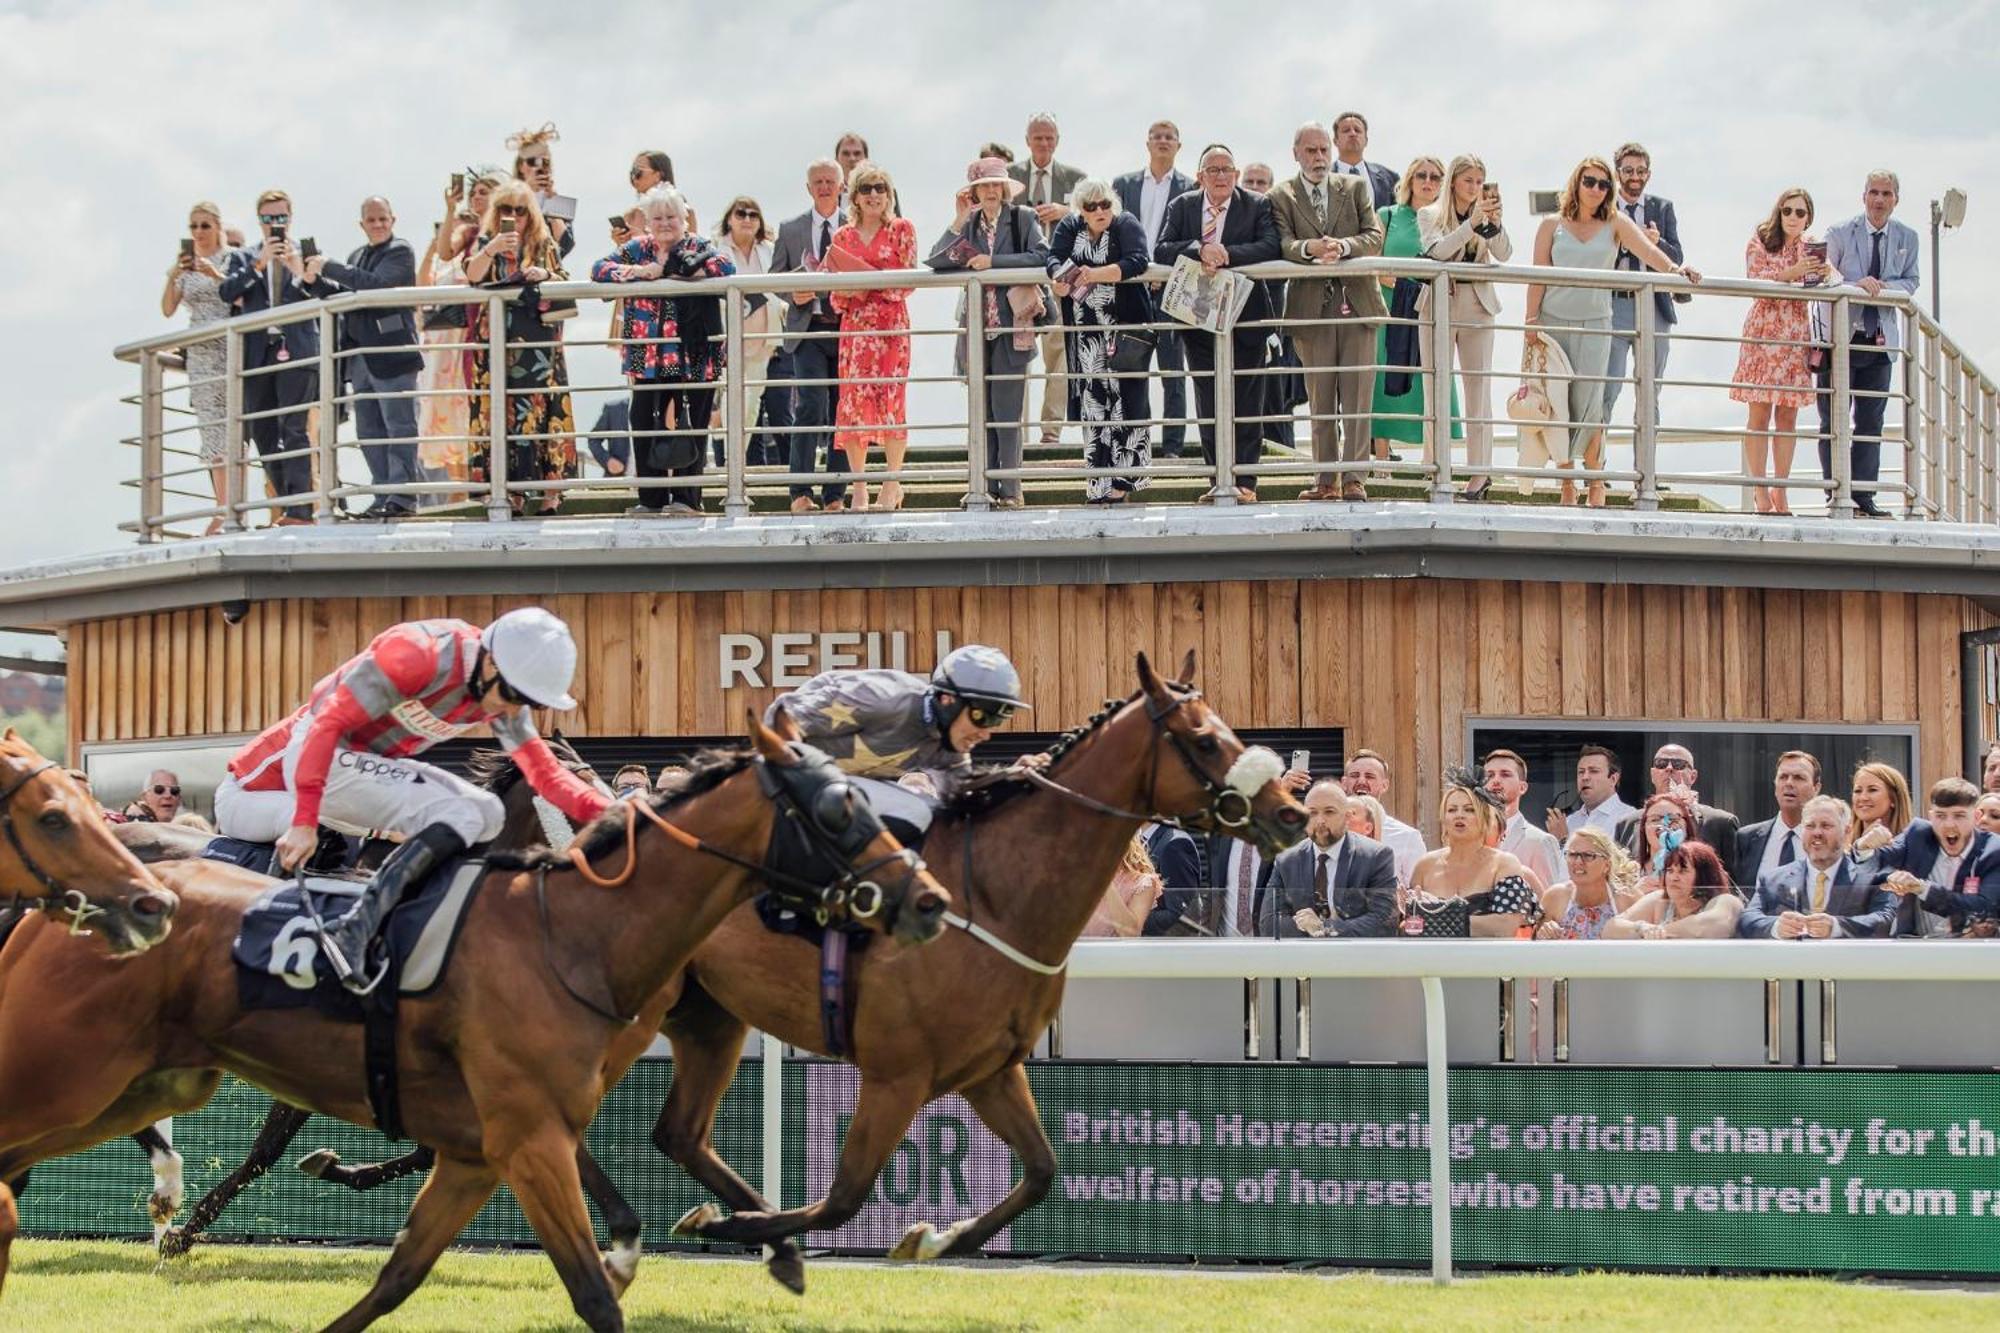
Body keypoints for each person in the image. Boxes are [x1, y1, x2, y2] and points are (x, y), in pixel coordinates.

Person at [214, 609, 608, 987]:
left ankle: (405, 919)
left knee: (488, 813)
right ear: (490, 664)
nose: (513, 708)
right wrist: (303, 821)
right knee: (460, 811)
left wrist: (613, 811)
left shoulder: (498, 695)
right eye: (512, 693)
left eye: (530, 702)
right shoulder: (418, 654)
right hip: (313, 753)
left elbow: (545, 774)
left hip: (350, 764)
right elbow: (327, 724)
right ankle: (356, 929)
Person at [1525, 157, 1699, 507]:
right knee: (1558, 406)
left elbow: (1649, 252)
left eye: (1604, 185)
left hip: (1596, 323)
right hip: (1553, 322)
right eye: (1590, 181)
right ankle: (1567, 482)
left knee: (1592, 405)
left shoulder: (1615, 223)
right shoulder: (1550, 225)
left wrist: (1677, 270)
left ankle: (1596, 480)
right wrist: (1530, 322)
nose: (1596, 190)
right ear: (1576, 183)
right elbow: (1537, 277)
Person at [763, 643, 1032, 843]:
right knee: (916, 809)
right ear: (948, 700)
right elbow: (783, 715)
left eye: (996, 721)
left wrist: (1011, 776)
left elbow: (963, 796)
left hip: (831, 792)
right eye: (981, 716)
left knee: (934, 809)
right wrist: (799, 785)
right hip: (784, 783)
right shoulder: (885, 698)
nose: (986, 734)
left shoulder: (948, 747)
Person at [593, 186, 735, 517]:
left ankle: (687, 498)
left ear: (684, 219)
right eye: (657, 217)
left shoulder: (696, 246)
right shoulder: (637, 249)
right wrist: (638, 273)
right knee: (643, 419)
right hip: (647, 354)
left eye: (672, 216)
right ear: (647, 222)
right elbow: (598, 268)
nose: (665, 223)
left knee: (693, 421)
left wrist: (687, 272)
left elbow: (726, 268)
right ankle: (651, 498)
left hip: (692, 351)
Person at [1155, 144, 1280, 504]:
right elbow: (1162, 249)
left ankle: (1246, 483)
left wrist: (1225, 254)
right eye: (1214, 170)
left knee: (1247, 401)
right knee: (1208, 401)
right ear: (1200, 177)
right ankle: (1217, 478)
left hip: (1247, 318)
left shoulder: (1256, 204)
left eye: (1227, 169)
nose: (1222, 176)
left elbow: (1270, 246)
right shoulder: (1182, 205)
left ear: (1237, 175)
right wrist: (1199, 249)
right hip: (1198, 318)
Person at [1268, 122, 1385, 502]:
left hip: (1358, 304)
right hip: (1310, 307)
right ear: (1296, 153)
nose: (1319, 158)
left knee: (1357, 398)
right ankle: (1325, 481)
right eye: (1311, 151)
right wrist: (1310, 250)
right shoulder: (1280, 195)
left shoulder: (1353, 188)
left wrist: (1344, 247)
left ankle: (1354, 478)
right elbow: (1282, 242)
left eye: (1323, 151)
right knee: (1319, 399)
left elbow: (1374, 235)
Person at [928, 157, 1049, 510]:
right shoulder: (970, 225)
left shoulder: (1022, 218)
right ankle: (983, 485)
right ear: (974, 192)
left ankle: (1009, 489)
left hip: (1013, 327)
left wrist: (992, 264)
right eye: (984, 186)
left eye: (996, 185)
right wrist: (958, 218)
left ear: (1005, 188)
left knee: (1006, 412)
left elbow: (1041, 256)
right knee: (982, 413)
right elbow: (936, 260)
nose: (991, 191)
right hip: (978, 332)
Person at [303, 196, 424, 518]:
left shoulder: (401, 250)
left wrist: (328, 266)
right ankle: (382, 492)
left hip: (392, 352)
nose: (379, 224)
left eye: (383, 218)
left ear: (393, 220)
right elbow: (346, 293)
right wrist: (314, 281)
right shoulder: (357, 255)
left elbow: (376, 287)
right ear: (362, 225)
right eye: (372, 220)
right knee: (369, 430)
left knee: (400, 425)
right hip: (361, 357)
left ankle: (403, 496)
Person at [461, 183, 574, 516]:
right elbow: (471, 275)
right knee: (500, 413)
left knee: (545, 412)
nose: (513, 217)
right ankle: (513, 492)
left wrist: (545, 273)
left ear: (531, 214)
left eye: (520, 210)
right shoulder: (487, 243)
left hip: (539, 344)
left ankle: (551, 494)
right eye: (505, 210)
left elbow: (566, 281)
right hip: (497, 342)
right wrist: (492, 249)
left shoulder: (544, 243)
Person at [1814, 171, 1921, 519]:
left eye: (1886, 194)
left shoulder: (1908, 237)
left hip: (1879, 341)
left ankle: (1863, 495)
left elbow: (1912, 281)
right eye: (1873, 192)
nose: (1879, 200)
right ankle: (1836, 491)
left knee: (1871, 421)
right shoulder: (1841, 232)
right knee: (1833, 418)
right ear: (1863, 197)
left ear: (1895, 199)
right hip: (1840, 338)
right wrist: (1856, 284)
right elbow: (1824, 272)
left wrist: (1883, 286)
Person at [1046, 179, 1153, 504]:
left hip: (1123, 330)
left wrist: (1098, 273)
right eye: (1091, 206)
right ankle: (1097, 483)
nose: (1100, 211)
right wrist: (1058, 280)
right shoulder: (1069, 226)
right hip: (1085, 334)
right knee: (1093, 405)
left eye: (1105, 204)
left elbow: (1138, 260)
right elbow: (1053, 257)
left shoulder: (1126, 223)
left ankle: (1124, 481)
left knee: (1127, 402)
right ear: (1081, 210)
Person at [216, 188, 318, 525]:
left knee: (293, 428)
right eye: (268, 218)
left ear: (291, 217)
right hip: (258, 353)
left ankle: (301, 509)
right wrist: (259, 264)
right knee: (262, 432)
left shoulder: (306, 251)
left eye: (281, 217)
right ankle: (286, 501)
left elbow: (319, 294)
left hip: (296, 349)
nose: (276, 224)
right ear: (259, 220)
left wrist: (297, 269)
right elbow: (227, 292)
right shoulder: (244, 257)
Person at [1730, 188, 1828, 515]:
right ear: (1779, 212)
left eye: (1800, 212)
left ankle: (1780, 489)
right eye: (1788, 211)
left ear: (1808, 217)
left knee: (1788, 416)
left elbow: (1820, 287)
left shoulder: (1811, 247)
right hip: (1763, 333)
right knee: (1759, 415)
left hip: (1795, 336)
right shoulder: (1760, 239)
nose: (1793, 218)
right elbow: (1756, 278)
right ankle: (1760, 490)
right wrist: (1793, 273)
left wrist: (1823, 274)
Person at [1419, 155, 1512, 500]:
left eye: (1479, 181)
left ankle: (1479, 475)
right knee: (1436, 387)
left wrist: (1495, 224)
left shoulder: (1486, 215)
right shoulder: (1429, 214)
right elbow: (1437, 252)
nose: (1474, 188)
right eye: (1468, 180)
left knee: (1478, 391)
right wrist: (1470, 225)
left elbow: (1505, 254)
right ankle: (1438, 468)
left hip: (1478, 303)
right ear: (1454, 182)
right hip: (1438, 303)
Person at [829, 163, 919, 512]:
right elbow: (835, 296)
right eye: (866, 188)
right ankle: (860, 487)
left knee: (892, 402)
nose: (874, 195)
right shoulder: (843, 237)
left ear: (890, 193)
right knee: (853, 406)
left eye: (880, 187)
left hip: (890, 328)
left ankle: (891, 483)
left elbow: (907, 280)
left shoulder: (901, 229)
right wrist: (867, 285)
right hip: (855, 330)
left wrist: (866, 284)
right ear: (854, 196)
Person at [770, 159, 855, 513]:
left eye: (829, 181)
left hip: (847, 329)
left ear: (841, 187)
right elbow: (774, 276)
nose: (824, 187)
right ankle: (799, 492)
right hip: (807, 329)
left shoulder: (854, 227)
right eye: (817, 181)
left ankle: (835, 494)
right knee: (809, 405)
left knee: (843, 410)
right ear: (808, 188)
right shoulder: (790, 229)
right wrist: (794, 293)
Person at [1369, 156, 1461, 474]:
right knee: (1384, 377)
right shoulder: (1389, 215)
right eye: (1421, 175)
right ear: (1409, 180)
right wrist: (1396, 281)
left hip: (1432, 308)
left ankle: (1431, 460)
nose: (1428, 181)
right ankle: (1381, 461)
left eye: (1436, 177)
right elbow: (1372, 260)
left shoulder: (1447, 220)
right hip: (1391, 307)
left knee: (1431, 379)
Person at [1113, 121, 1194, 459]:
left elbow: (1192, 237)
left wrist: (1168, 272)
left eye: (1169, 137)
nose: (1163, 142)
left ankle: (1173, 447)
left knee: (1174, 371)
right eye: (1157, 137)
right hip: (1132, 288)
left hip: (1174, 288)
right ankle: (1135, 444)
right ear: (1147, 143)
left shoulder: (1191, 189)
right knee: (1132, 370)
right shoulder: (1123, 185)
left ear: (1179, 145)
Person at [1006, 114, 1085, 447]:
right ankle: (1016, 430)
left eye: (1049, 138)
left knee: (1059, 356)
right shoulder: (1010, 177)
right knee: (1017, 355)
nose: (1044, 144)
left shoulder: (1076, 179)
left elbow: (1094, 219)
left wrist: (1065, 213)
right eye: (1038, 138)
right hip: (1019, 281)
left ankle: (1051, 429)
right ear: (1027, 140)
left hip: (1060, 279)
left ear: (1058, 140)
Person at [162, 200, 240, 534]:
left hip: (230, 344)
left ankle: (233, 507)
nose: (198, 233)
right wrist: (175, 275)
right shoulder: (187, 266)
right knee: (211, 429)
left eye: (205, 225)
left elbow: (241, 296)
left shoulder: (233, 258)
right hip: (201, 353)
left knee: (235, 426)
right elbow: (167, 309)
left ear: (218, 227)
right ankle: (223, 506)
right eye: (193, 226)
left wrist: (215, 274)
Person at [1601, 144, 1687, 427]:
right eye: (1628, 170)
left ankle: (1646, 468)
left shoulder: (1662, 208)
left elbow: (1676, 257)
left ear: (1648, 174)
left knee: (1650, 392)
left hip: (1655, 307)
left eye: (1640, 171)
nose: (1635, 176)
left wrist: (1655, 242)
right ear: (1617, 174)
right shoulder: (1604, 209)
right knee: (1607, 387)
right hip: (1613, 303)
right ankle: (1596, 467)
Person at [415, 178, 485, 500]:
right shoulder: (447, 257)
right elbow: (420, 289)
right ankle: (458, 490)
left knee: (467, 411)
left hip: (466, 340)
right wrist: (434, 244)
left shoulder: (477, 250)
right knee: (448, 417)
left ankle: (471, 487)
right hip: (441, 346)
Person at [1739, 795, 1894, 938]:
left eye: (1826, 826)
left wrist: (1837, 926)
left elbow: (1885, 919)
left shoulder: (1873, 878)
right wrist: (1776, 926)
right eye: (1810, 826)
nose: (1817, 833)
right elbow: (1748, 918)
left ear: (1847, 831)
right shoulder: (1773, 879)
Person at [1262, 780, 1398, 938]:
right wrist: (1309, 928)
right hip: (1302, 960)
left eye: (1329, 812)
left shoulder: (1376, 856)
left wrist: (1325, 927)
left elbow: (1384, 921)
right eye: (1312, 812)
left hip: (1355, 958)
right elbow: (1269, 922)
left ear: (1347, 817)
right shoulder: (1287, 860)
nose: (1320, 820)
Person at [1405, 775, 1538, 937]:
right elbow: (1410, 925)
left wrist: (1438, 917)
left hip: (1487, 959)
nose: (1459, 815)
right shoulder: (1425, 865)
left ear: (1484, 818)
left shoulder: (1503, 863)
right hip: (1434, 958)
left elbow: (1506, 925)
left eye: (1469, 810)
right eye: (1452, 810)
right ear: (1443, 819)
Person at [1872, 777, 2000, 935]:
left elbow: (1983, 906)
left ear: (1976, 817)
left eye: (1959, 816)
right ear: (1931, 817)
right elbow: (1874, 862)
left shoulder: (1994, 850)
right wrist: (1864, 847)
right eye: (1940, 816)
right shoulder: (1917, 834)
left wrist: (1922, 888)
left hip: (1968, 949)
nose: (1949, 824)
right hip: (1914, 948)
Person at [714, 195, 787, 468]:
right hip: (730, 338)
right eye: (741, 213)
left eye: (753, 215)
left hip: (763, 337)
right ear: (729, 219)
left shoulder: (769, 249)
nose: (747, 219)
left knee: (753, 405)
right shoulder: (718, 250)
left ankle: (736, 467)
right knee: (732, 402)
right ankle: (729, 467)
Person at [1613, 743, 1741, 883]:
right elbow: (1618, 880)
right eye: (1661, 764)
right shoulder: (1627, 823)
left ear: (1693, 776)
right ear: (1652, 774)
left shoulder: (1721, 823)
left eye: (1678, 764)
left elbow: (1735, 884)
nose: (1669, 768)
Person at [1602, 840, 1743, 939]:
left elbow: (1707, 926)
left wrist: (1660, 932)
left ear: (1704, 875)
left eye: (1683, 871)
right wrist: (1642, 929)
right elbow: (1610, 929)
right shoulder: (1659, 900)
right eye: (1670, 870)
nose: (1673, 878)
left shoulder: (1726, 901)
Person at [1535, 826, 1641, 939]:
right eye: (1572, 855)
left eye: (1588, 855)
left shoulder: (1628, 899)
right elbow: (1535, 948)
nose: (1578, 861)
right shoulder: (1555, 897)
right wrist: (1544, 932)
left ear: (1607, 865)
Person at [1736, 750, 1823, 887]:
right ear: (1775, 785)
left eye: (1798, 778)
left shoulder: (1825, 840)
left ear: (1816, 788)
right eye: (1783, 777)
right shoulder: (1746, 839)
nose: (1789, 783)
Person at [1340, 748, 1426, 885]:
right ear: (1344, 783)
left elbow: (1418, 891)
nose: (1361, 781)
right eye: (1355, 775)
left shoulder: (1407, 837)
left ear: (1385, 785)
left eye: (1369, 776)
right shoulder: (1330, 834)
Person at [1482, 748, 1561, 891]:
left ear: (1522, 787)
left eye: (1505, 774)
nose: (1496, 781)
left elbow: (1551, 905)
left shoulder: (1540, 841)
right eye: (1490, 776)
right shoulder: (1472, 837)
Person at [1082, 834, 1164, 938]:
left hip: (1113, 953)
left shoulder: (1143, 882)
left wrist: (1105, 881)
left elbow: (1130, 934)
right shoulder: (1078, 876)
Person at [1549, 744, 1635, 840]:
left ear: (1613, 779)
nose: (1585, 777)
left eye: (1594, 771)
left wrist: (1563, 840)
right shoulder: (1570, 821)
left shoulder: (1629, 818)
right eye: (1581, 772)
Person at [1139, 820, 1205, 936]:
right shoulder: (1135, 841)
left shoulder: (1175, 844)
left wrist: (1129, 917)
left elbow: (1182, 917)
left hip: (1164, 949)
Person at [1848, 760, 1913, 869]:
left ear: (1894, 799)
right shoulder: (1841, 849)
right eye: (1858, 791)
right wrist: (1861, 849)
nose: (1863, 797)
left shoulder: (1912, 847)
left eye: (1872, 790)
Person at [1330, 112, 1398, 210]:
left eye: (1357, 130)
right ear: (1335, 141)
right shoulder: (1321, 178)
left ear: (1366, 140)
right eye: (1346, 130)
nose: (1353, 134)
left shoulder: (1390, 178)